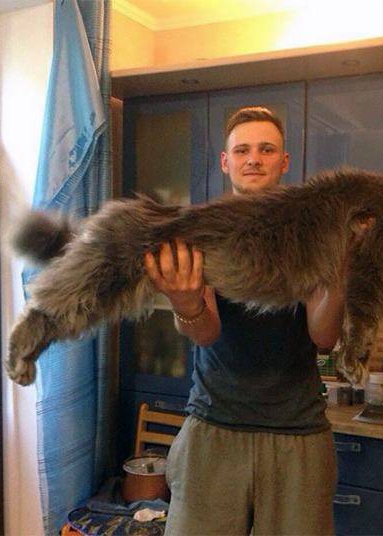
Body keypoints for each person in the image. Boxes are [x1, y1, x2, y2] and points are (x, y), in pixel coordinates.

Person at [144, 107, 346, 535]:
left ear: (284, 161)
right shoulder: (203, 230)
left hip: (298, 433)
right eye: (242, 150)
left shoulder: (312, 234)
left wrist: (340, 274)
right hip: (213, 428)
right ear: (226, 161)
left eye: (266, 149)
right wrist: (184, 301)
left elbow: (324, 338)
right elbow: (206, 333)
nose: (254, 159)